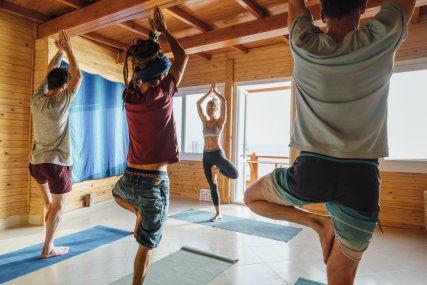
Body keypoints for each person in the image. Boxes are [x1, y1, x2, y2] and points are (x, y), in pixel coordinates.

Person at [244, 0, 415, 284]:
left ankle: (316, 223)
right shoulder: (381, 37)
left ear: (321, 13)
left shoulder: (303, 43)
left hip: (311, 171)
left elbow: (294, 4)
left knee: (251, 197)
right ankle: (321, 223)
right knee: (341, 277)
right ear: (362, 7)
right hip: (360, 179)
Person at [111, 6, 188, 285]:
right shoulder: (164, 92)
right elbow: (183, 56)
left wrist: (152, 37)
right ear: (160, 74)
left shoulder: (129, 95)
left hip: (130, 179)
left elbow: (141, 71)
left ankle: (138, 213)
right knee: (147, 246)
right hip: (155, 182)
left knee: (116, 194)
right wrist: (164, 31)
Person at [29, 30, 83, 259]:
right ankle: (47, 248)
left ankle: (48, 242)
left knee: (50, 205)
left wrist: (60, 52)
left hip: (35, 164)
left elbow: (50, 75)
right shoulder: (61, 102)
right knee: (58, 207)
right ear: (64, 85)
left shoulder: (36, 99)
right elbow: (78, 76)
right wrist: (69, 48)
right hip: (56, 165)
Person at [196, 83, 239, 221]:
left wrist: (216, 93)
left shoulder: (220, 122)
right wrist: (209, 93)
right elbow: (198, 103)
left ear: (216, 109)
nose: (209, 110)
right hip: (206, 155)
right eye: (208, 108)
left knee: (234, 173)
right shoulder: (204, 121)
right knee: (212, 185)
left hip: (217, 154)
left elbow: (224, 101)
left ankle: (217, 171)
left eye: (211, 108)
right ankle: (218, 212)